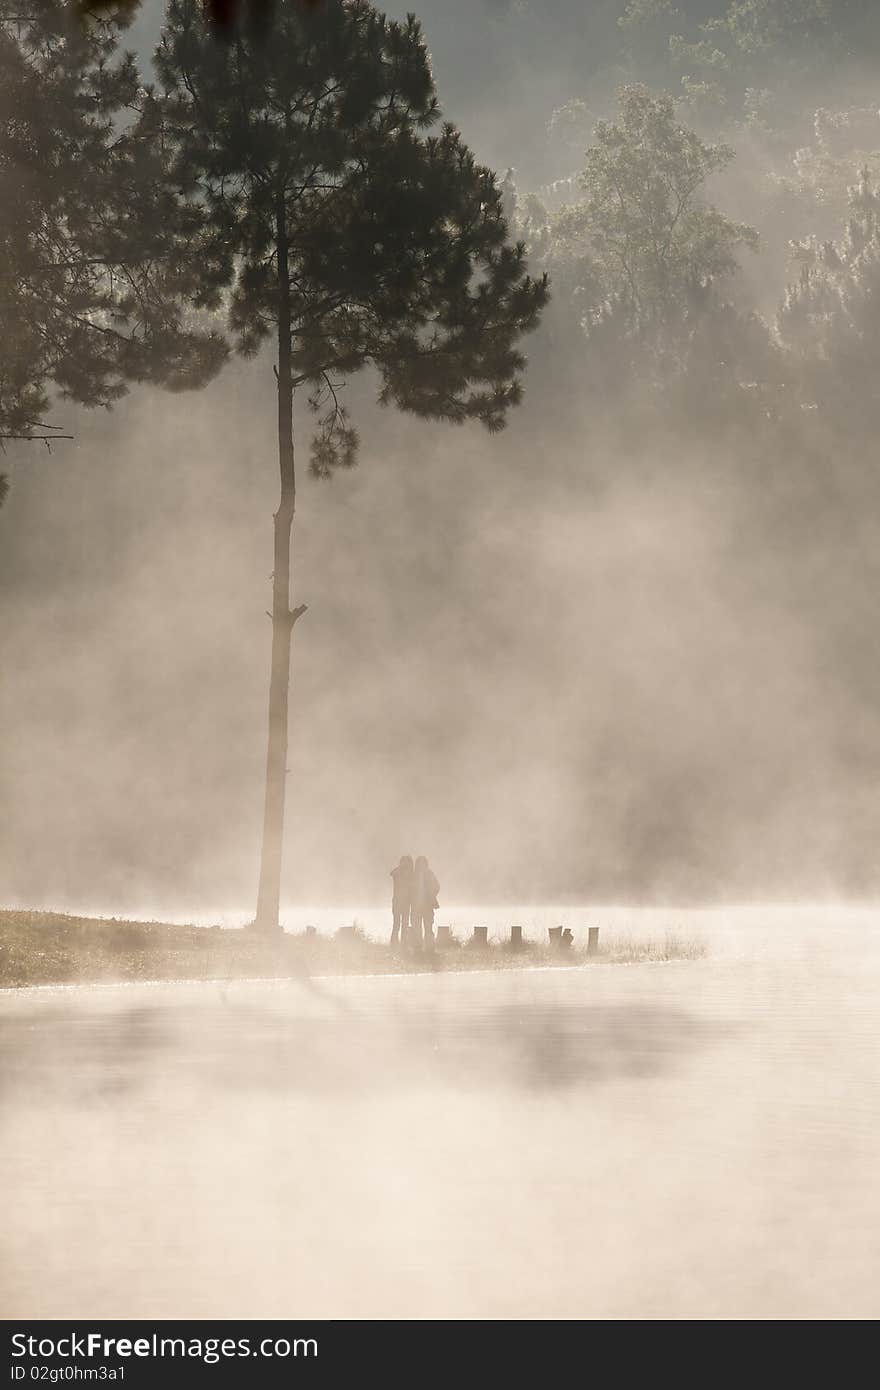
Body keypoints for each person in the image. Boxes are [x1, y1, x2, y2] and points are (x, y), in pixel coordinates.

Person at [411, 856, 440, 949]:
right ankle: (418, 947)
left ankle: (429, 947)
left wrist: (432, 895)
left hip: (427, 906)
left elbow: (437, 886)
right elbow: (408, 889)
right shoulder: (413, 875)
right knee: (417, 927)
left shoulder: (430, 874)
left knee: (428, 927)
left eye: (423, 863)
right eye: (420, 863)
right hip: (416, 906)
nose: (421, 866)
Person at [390, 856, 413, 947]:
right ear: (401, 863)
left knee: (405, 923)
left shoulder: (410, 874)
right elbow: (392, 873)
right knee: (396, 924)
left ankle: (404, 943)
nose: (406, 864)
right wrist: (401, 868)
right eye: (404, 862)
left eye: (408, 862)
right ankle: (394, 943)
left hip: (406, 903)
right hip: (397, 902)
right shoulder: (397, 873)